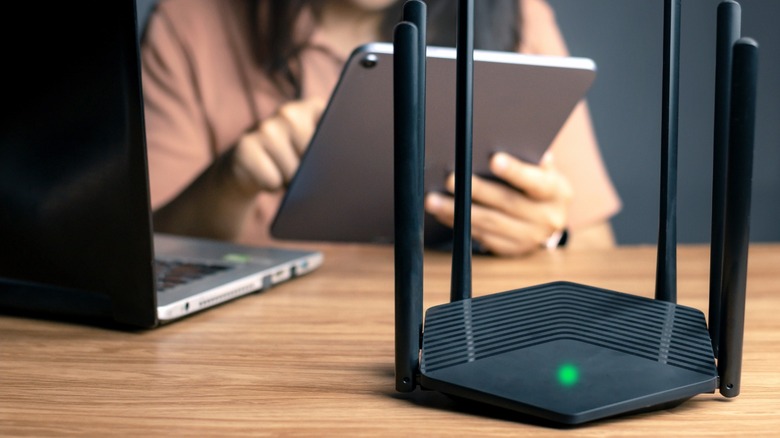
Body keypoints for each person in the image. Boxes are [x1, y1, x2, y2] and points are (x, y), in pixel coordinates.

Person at [141, 0, 621, 257]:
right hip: (253, 355)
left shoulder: (513, 17)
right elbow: (144, 257)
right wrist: (230, 184)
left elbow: (598, 246)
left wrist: (546, 236)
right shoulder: (193, 20)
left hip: (452, 339)